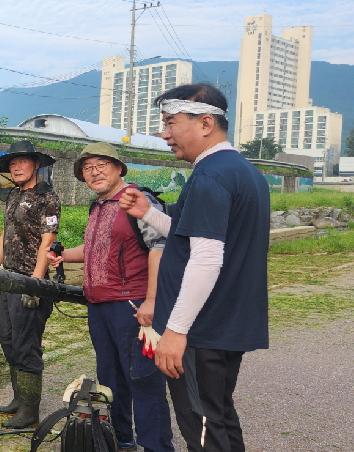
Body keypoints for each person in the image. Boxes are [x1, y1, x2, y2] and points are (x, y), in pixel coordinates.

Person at [119, 84, 270, 452]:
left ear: (205, 123)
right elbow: (198, 236)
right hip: (223, 324)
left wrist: (175, 331)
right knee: (217, 418)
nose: (164, 133)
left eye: (171, 123)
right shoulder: (243, 172)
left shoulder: (210, 176)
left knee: (202, 430)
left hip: (201, 330)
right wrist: (149, 214)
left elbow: (206, 258)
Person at [49, 142, 174, 451]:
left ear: (119, 168)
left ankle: (157, 446)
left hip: (132, 306)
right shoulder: (99, 206)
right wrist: (63, 256)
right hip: (100, 308)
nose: (95, 172)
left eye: (102, 164)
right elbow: (94, 251)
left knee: (143, 380)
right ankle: (122, 440)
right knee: (110, 379)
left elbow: (161, 249)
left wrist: (152, 301)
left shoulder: (138, 201)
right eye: (88, 168)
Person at [0, 141, 60, 429]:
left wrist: (35, 282)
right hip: (10, 279)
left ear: (35, 165)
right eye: (12, 164)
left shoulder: (47, 198)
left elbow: (48, 239)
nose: (16, 167)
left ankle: (30, 411)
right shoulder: (14, 195)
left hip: (30, 281)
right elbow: (6, 233)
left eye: (22, 162)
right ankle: (19, 398)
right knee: (8, 339)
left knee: (26, 344)